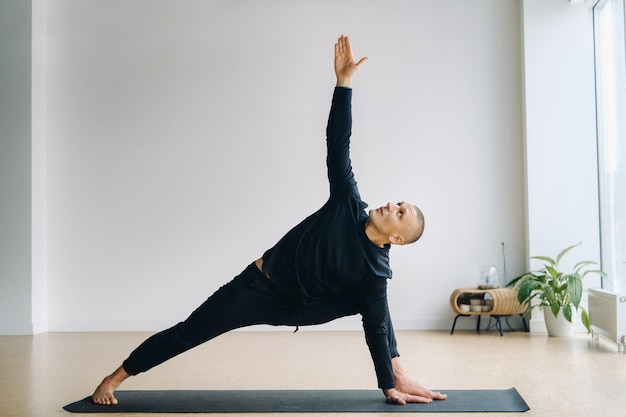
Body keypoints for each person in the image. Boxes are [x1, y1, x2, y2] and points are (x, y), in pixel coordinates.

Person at [92, 35, 446, 406]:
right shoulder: (348, 203)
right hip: (260, 286)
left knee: (376, 301)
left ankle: (397, 377)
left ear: (398, 239)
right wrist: (344, 83)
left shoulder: (377, 268)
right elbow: (338, 142)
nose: (391, 205)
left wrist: (385, 386)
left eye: (400, 212)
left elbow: (375, 327)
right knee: (190, 331)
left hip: (303, 307)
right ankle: (113, 379)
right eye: (398, 202)